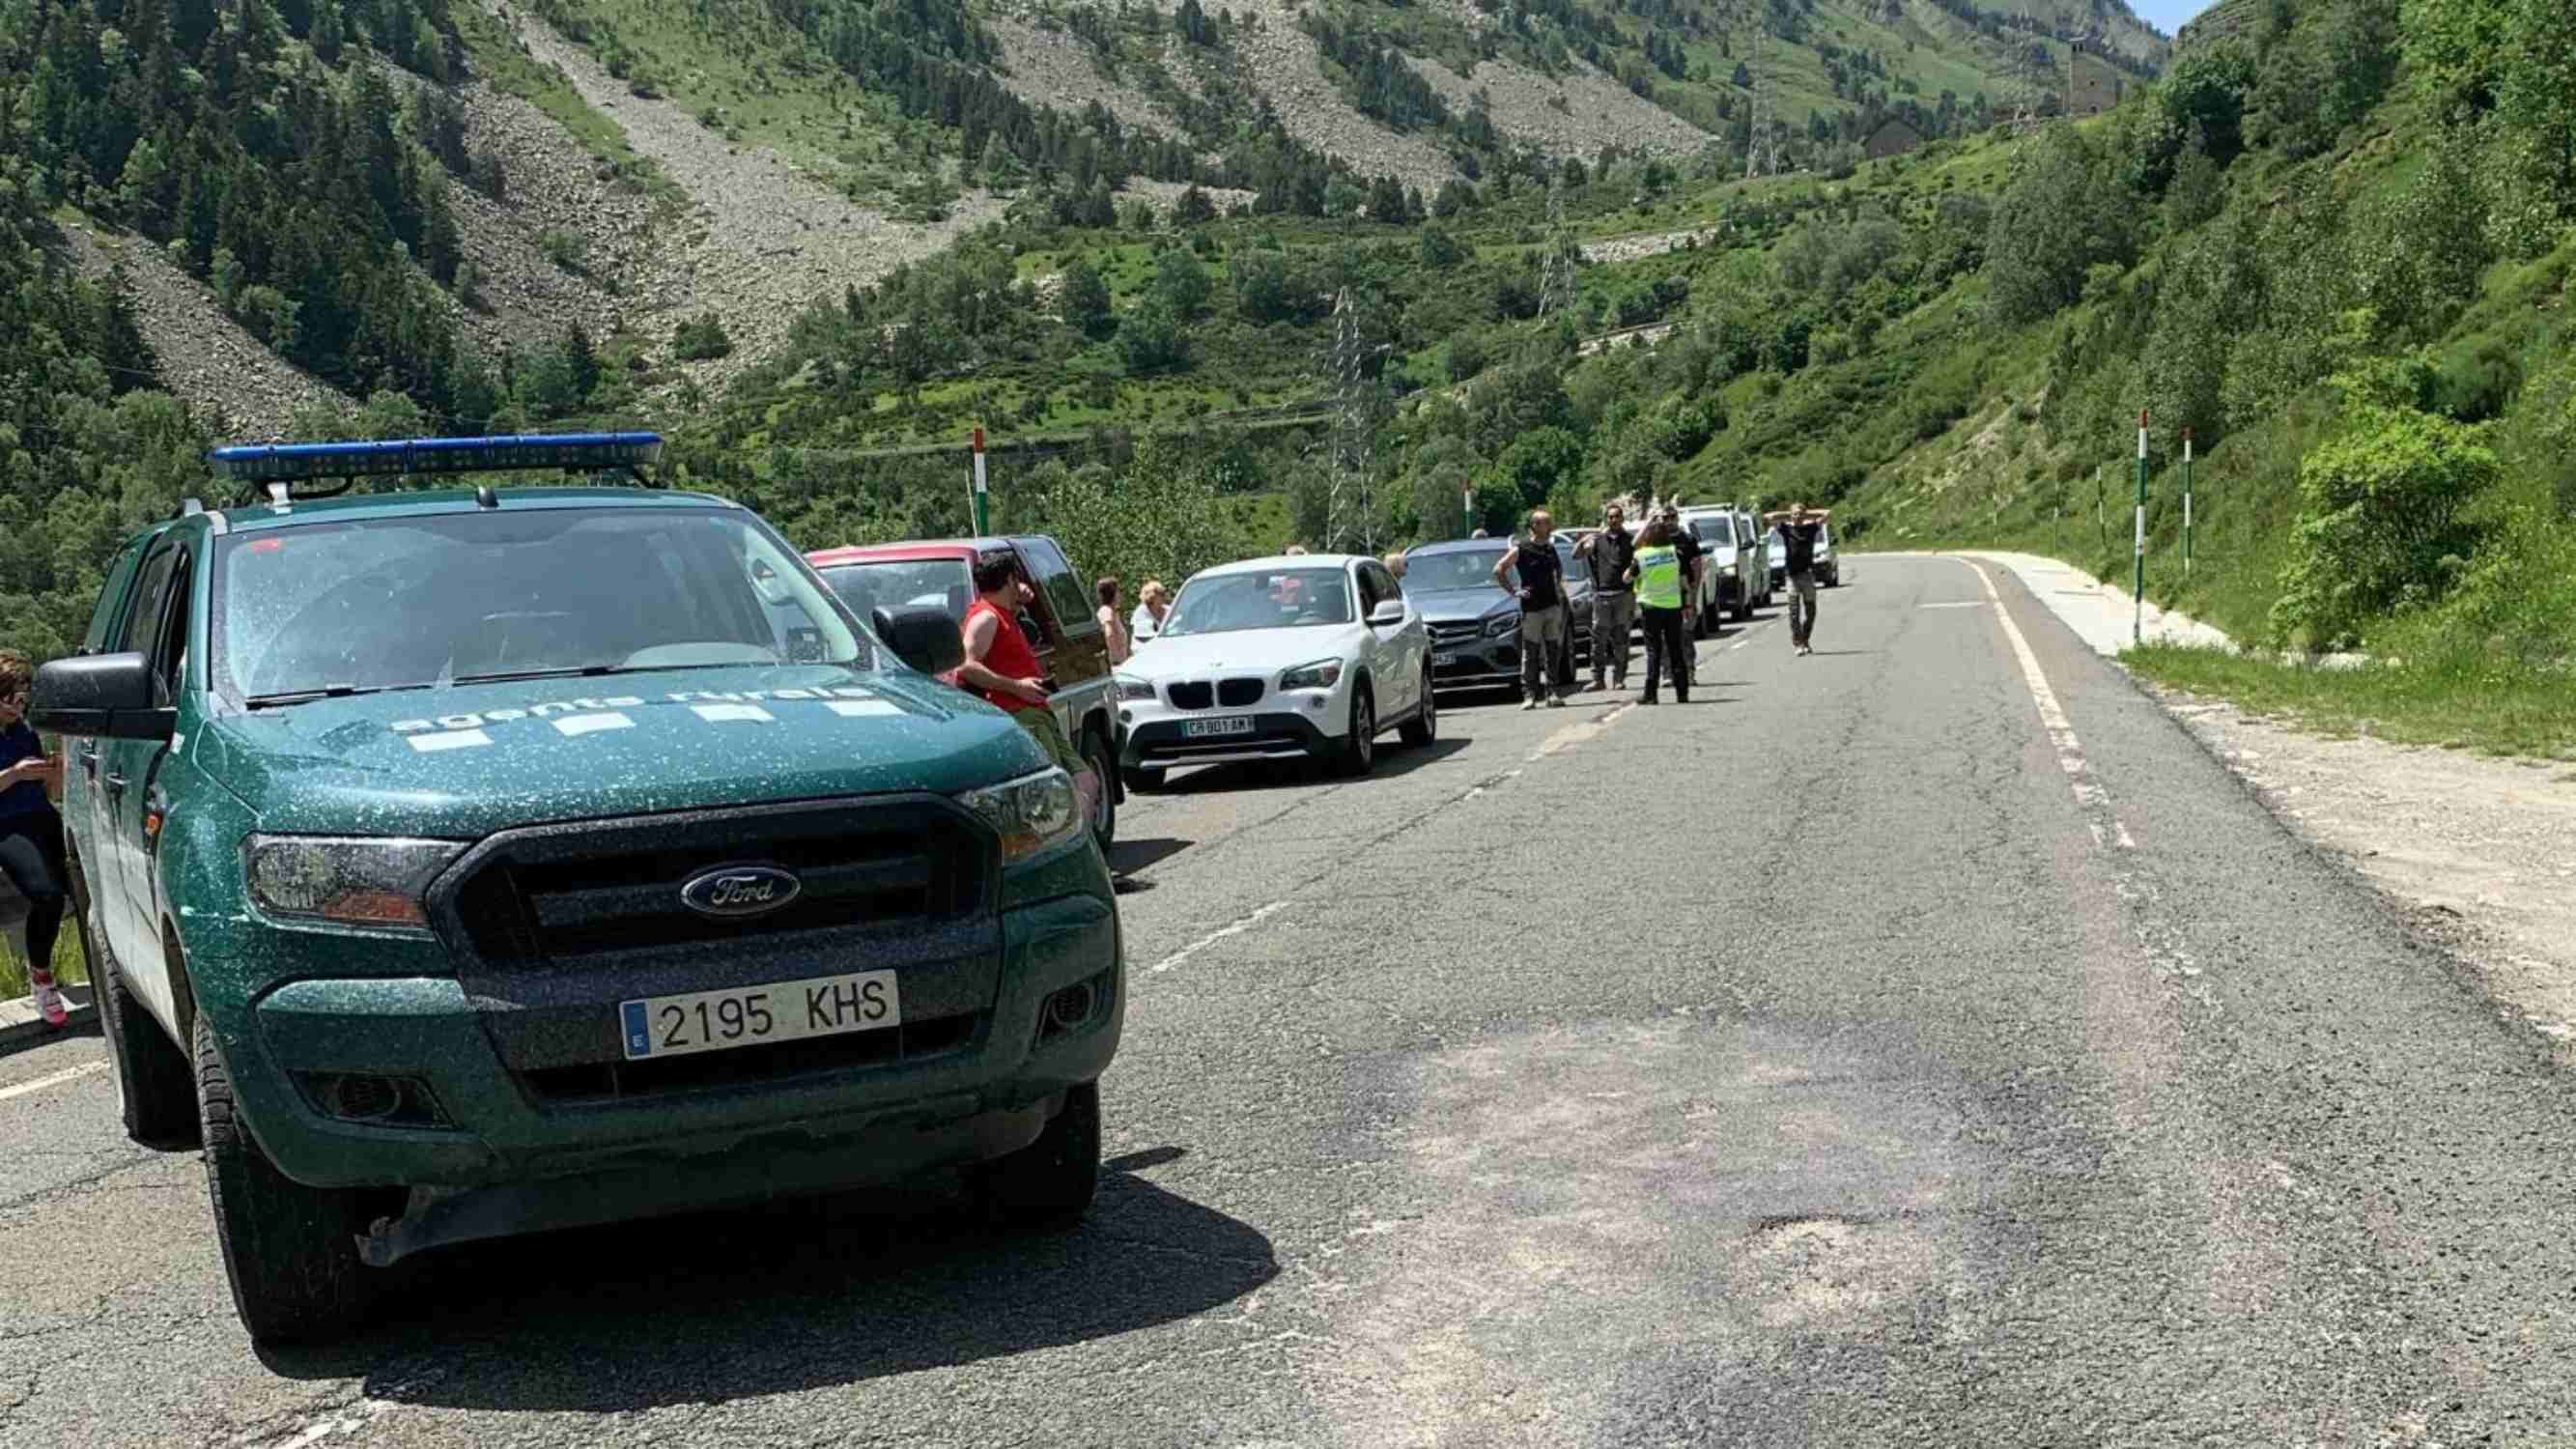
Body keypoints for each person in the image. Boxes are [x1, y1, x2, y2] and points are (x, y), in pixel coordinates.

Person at [954, 555, 1095, 818]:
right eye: (1016, 579)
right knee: (1053, 798)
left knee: (1086, 779)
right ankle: (1067, 852)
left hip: (1039, 714)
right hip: (1023, 716)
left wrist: (1021, 602)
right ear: (1010, 580)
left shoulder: (1004, 614)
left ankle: (1082, 845)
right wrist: (1015, 686)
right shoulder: (986, 616)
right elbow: (965, 665)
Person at [0, 651, 70, 1028]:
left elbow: (53, 791)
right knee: (47, 895)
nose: (16, 705)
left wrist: (55, 771)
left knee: (88, 873)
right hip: (5, 826)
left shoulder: (25, 730)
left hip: (41, 815)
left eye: (21, 697)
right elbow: (13, 778)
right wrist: (14, 773)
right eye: (9, 697)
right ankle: (41, 977)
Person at [1491, 509, 1570, 710]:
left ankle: (1553, 693)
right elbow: (1498, 569)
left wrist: (1559, 591)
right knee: (1531, 653)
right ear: (1534, 526)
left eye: (1549, 523)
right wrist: (1514, 591)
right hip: (1532, 609)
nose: (1550, 526)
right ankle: (1530, 695)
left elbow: (1558, 571)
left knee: (1553, 651)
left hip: (1552, 606)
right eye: (1545, 523)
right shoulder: (1521, 549)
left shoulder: (1550, 549)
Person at [1625, 519, 1689, 704]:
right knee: (1676, 649)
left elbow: (1627, 578)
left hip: (1651, 607)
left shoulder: (1641, 555)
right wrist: (1688, 604)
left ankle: (1651, 694)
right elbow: (1684, 581)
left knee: (1654, 651)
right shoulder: (1675, 553)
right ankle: (1682, 693)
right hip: (1672, 606)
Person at [1574, 502, 1635, 692]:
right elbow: (1576, 555)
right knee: (1598, 641)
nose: (1614, 520)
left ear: (1622, 518)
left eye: (1617, 516)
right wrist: (1583, 540)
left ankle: (1619, 678)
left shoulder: (1630, 540)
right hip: (1601, 597)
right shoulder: (1597, 541)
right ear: (1606, 519)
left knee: (1621, 639)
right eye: (1610, 517)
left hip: (1623, 596)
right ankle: (1598, 679)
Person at [1763, 501, 1834, 656]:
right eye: (1795, 514)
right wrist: (1789, 514)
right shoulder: (1786, 529)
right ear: (1791, 515)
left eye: (1800, 514)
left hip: (1807, 575)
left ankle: (1805, 638)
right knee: (1794, 612)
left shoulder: (1811, 528)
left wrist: (1807, 514)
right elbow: (1768, 517)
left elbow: (1827, 513)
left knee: (1811, 612)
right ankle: (1798, 643)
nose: (1798, 517)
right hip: (1792, 576)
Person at [1095, 578, 1130, 666]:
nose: (1120, 594)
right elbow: (1109, 635)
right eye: (1118, 591)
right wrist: (1118, 660)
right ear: (1112, 594)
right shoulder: (1107, 611)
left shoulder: (1113, 611)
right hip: (1117, 664)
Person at [1131, 580, 1169, 644]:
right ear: (1152, 597)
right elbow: (1144, 635)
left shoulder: (1169, 610)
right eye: (1161, 594)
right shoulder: (1141, 612)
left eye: (1163, 594)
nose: (1164, 596)